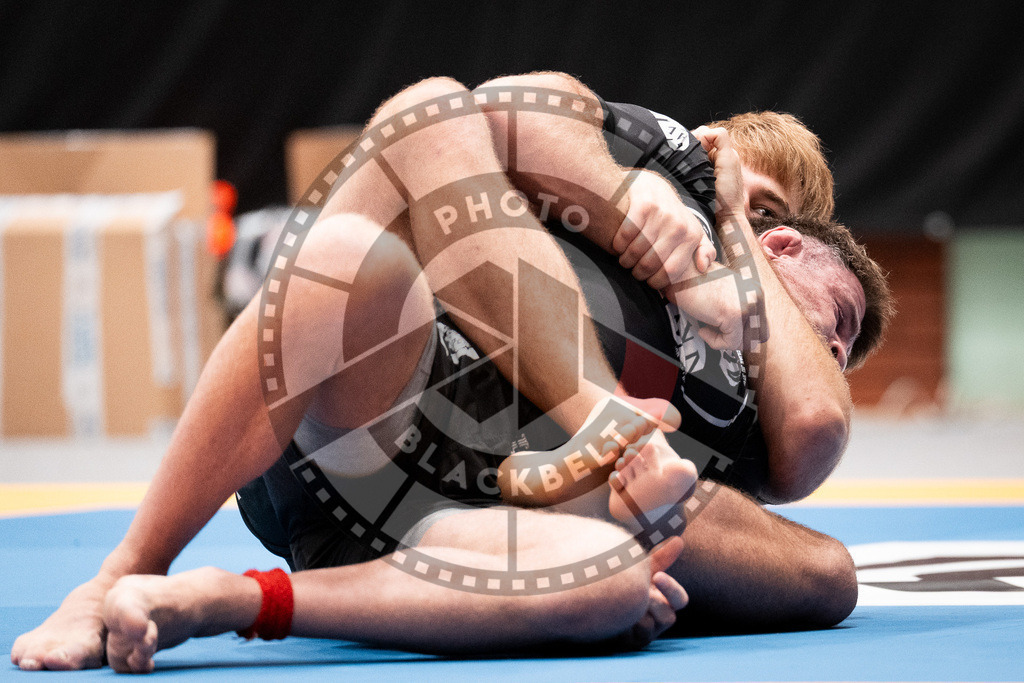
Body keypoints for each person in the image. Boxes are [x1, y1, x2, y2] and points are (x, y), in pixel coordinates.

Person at [11, 73, 891, 673]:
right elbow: (503, 104)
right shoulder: (641, 175)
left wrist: (736, 226)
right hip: (381, 400)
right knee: (400, 163)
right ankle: (118, 569)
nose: (835, 346)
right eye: (734, 188)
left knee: (610, 579)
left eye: (842, 339)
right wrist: (633, 197)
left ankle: (218, 599)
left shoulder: (750, 373)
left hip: (480, 526)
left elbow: (815, 430)